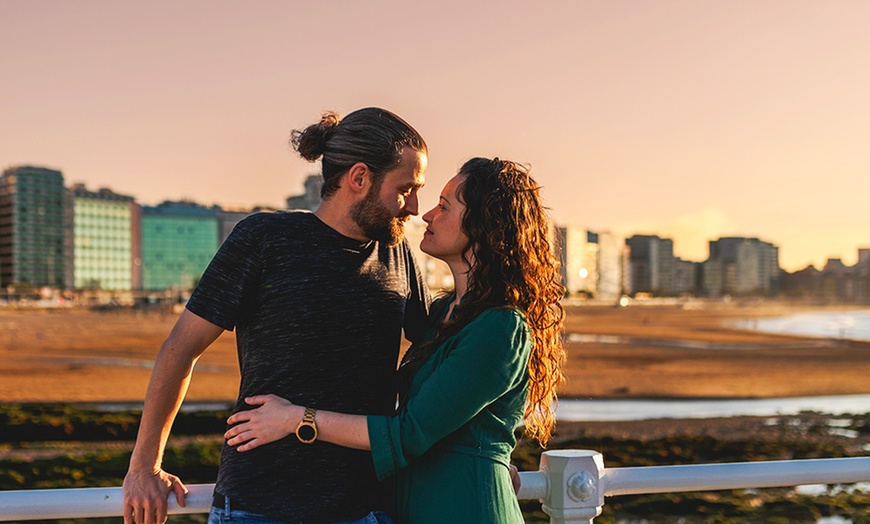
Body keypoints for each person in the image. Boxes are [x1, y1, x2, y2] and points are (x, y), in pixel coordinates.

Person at [122, 107, 431, 524]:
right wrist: (144, 467)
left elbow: (439, 356)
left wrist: (480, 458)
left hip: (366, 507)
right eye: (406, 188)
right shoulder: (264, 239)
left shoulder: (398, 253)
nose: (414, 206)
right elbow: (180, 349)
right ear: (359, 178)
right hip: (257, 506)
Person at [225, 157, 566, 523]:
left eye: (445, 206)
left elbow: (408, 433)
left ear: (486, 225)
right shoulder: (442, 314)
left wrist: (296, 418)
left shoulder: (502, 327)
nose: (427, 215)